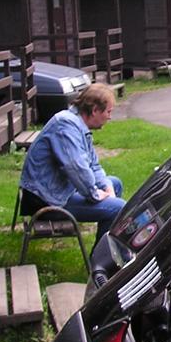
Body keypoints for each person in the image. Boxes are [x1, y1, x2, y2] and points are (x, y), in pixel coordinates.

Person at [19, 83, 125, 243]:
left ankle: (107, 242)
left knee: (115, 184)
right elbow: (76, 168)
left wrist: (107, 187)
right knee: (118, 208)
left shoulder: (78, 125)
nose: (109, 117)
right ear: (95, 110)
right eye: (108, 112)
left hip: (58, 191)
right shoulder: (66, 126)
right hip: (46, 200)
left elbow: (93, 165)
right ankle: (102, 258)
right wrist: (95, 194)